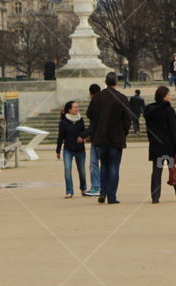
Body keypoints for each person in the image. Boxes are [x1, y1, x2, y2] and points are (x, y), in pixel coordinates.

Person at [87, 72, 131, 204]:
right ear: (116, 82)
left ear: (105, 82)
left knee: (103, 165)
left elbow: (90, 114)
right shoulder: (122, 97)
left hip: (101, 137)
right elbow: (127, 119)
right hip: (116, 137)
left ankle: (103, 192)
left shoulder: (97, 98)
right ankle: (111, 196)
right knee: (114, 167)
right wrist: (123, 132)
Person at [145, 86, 176, 204]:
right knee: (174, 170)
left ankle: (155, 197)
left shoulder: (149, 110)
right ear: (165, 96)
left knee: (156, 171)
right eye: (169, 94)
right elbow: (173, 130)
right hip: (169, 145)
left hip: (156, 144)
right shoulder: (169, 110)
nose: (171, 96)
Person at [56, 101, 88, 198]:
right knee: (67, 170)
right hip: (68, 150)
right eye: (75, 107)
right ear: (69, 109)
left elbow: (83, 132)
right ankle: (69, 191)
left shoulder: (80, 120)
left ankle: (83, 189)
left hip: (80, 150)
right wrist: (58, 150)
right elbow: (60, 137)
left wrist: (85, 137)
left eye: (78, 107)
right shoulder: (63, 122)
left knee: (82, 171)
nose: (77, 109)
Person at [83, 84, 103, 197]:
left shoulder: (94, 101)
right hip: (104, 136)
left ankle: (96, 187)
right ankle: (103, 186)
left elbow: (91, 118)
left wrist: (87, 134)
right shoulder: (105, 101)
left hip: (96, 137)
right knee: (104, 163)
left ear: (91, 93)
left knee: (94, 163)